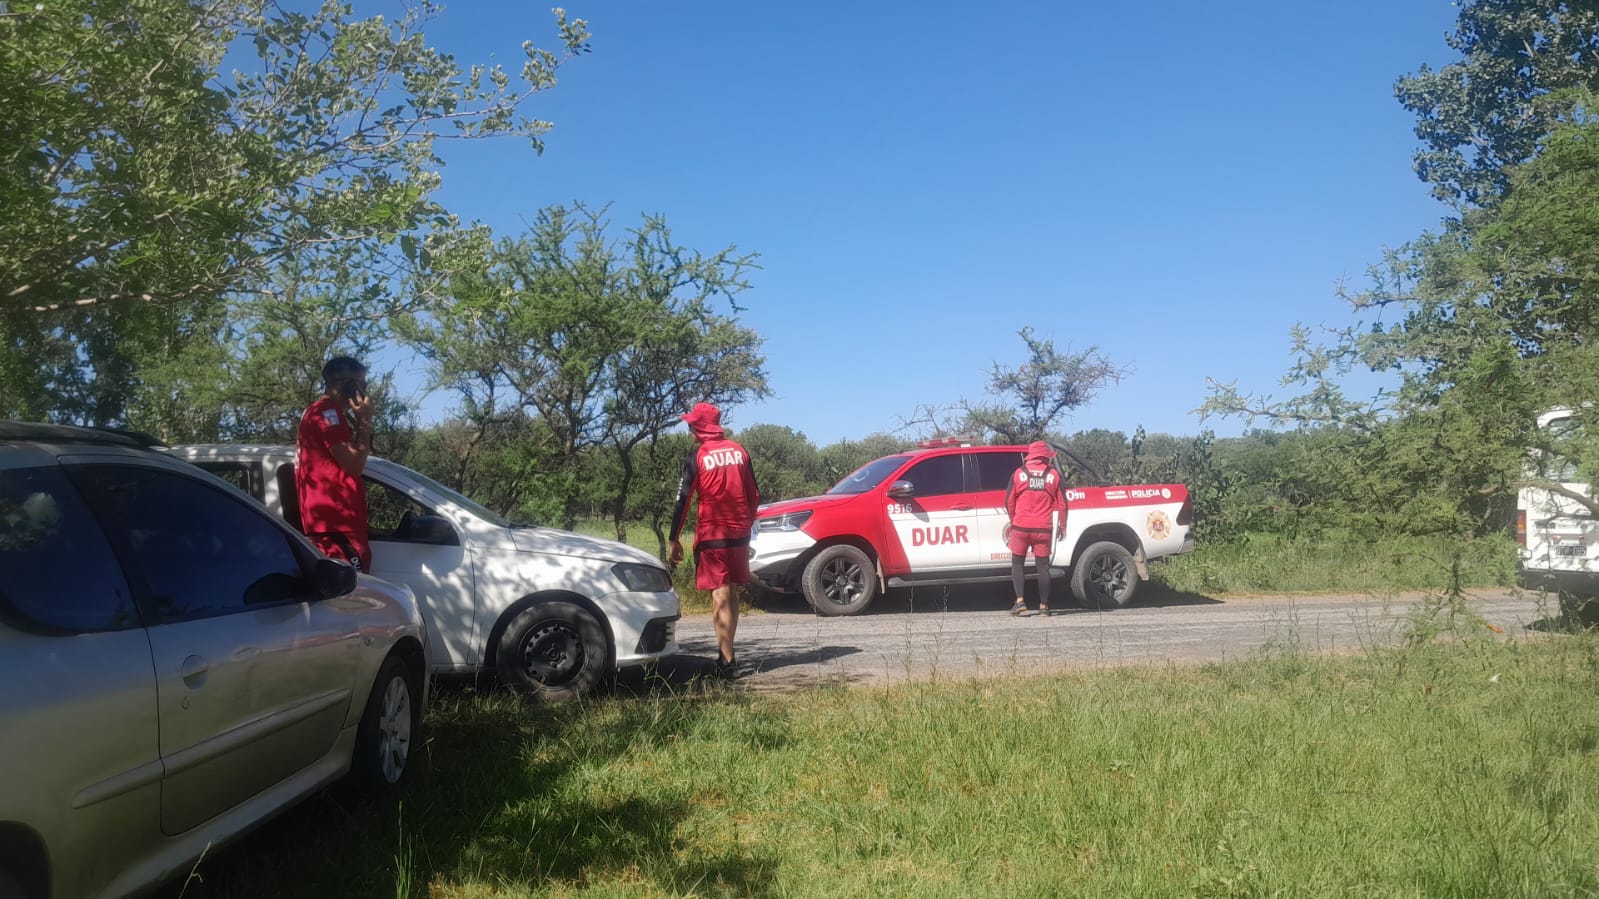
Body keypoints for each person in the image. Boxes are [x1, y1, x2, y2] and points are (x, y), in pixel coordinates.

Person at [669, 402, 760, 677]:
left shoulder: (698, 455)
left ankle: (726, 661)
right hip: (740, 534)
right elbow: (754, 494)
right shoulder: (739, 452)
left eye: (691, 425)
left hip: (713, 535)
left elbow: (683, 499)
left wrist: (674, 538)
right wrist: (747, 522)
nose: (690, 430)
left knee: (719, 593)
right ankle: (727, 653)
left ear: (701, 426)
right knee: (731, 592)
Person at [296, 356, 375, 572]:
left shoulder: (325, 413)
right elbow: (354, 465)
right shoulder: (327, 413)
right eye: (362, 384)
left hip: (337, 526)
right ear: (348, 384)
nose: (365, 391)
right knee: (355, 598)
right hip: (337, 527)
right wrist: (365, 422)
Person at [1003, 440, 1067, 617]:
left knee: (1017, 563)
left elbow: (1008, 501)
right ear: (1045, 457)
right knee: (1043, 568)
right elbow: (1062, 504)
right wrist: (1063, 526)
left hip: (1021, 527)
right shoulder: (1053, 475)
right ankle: (1044, 606)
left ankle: (1020, 601)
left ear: (1030, 457)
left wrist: (1013, 519)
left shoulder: (1019, 474)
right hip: (1043, 529)